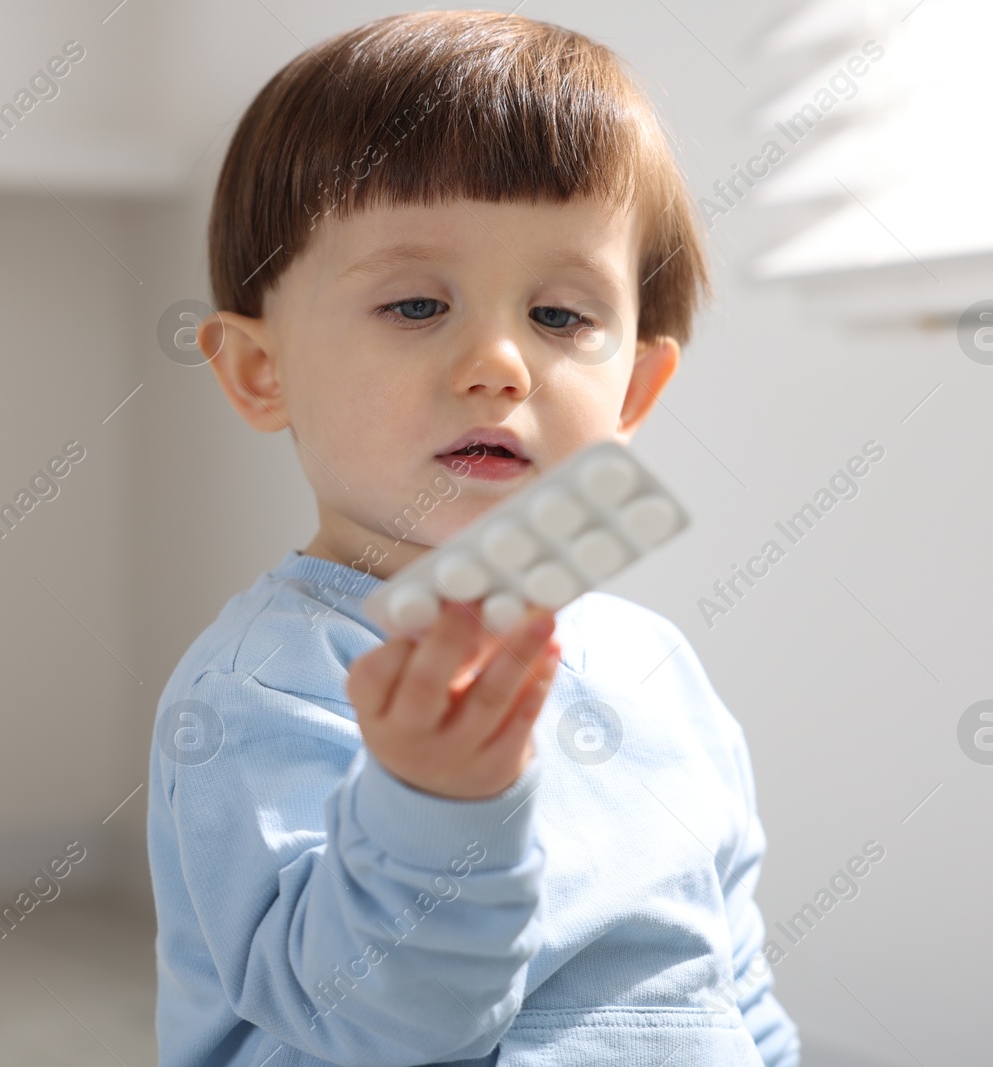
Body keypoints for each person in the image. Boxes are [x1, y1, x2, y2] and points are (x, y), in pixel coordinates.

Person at [147, 10, 799, 1065]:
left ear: (636, 386)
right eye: (414, 304)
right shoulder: (259, 689)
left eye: (558, 317)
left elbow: (731, 977)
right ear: (261, 371)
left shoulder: (655, 668)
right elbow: (371, 1023)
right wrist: (434, 803)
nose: (498, 362)